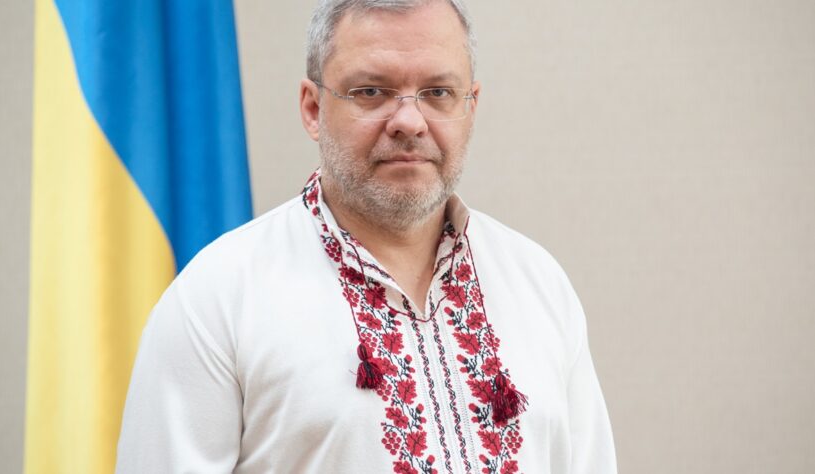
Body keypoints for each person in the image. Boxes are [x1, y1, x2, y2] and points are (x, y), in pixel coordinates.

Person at [116, 0, 617, 473]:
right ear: (312, 108)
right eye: (371, 92)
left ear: (471, 105)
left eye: (437, 93)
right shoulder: (218, 299)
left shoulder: (539, 285)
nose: (409, 122)